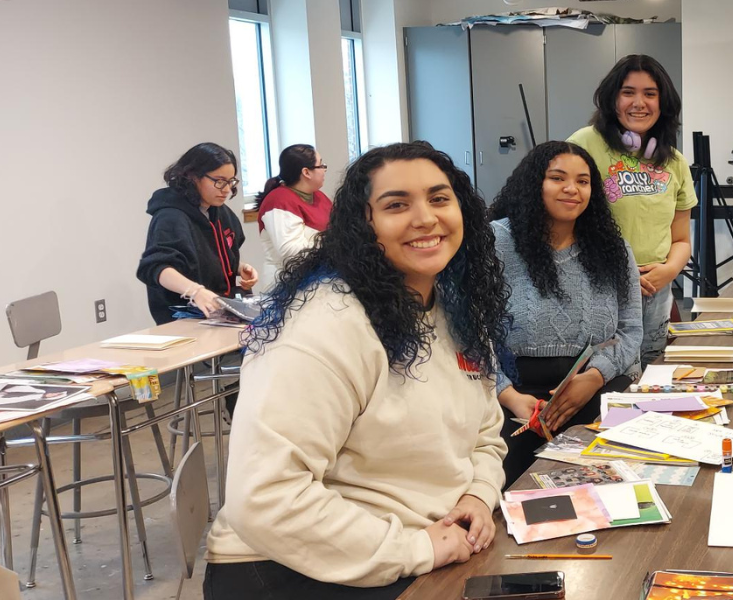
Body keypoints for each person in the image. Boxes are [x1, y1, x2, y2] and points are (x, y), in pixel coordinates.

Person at [204, 142, 511, 598]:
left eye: (439, 198)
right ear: (363, 225)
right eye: (396, 205)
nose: (426, 218)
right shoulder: (327, 322)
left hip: (419, 543)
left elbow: (486, 433)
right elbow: (266, 499)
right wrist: (416, 549)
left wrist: (477, 496)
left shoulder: (454, 308)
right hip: (290, 565)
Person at [487, 141, 642, 486]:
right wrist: (508, 396)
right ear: (534, 184)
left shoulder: (612, 248)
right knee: (512, 496)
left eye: (583, 181)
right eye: (558, 178)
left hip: (596, 388)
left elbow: (631, 330)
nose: (572, 189)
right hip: (513, 397)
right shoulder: (494, 243)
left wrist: (595, 377)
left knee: (613, 490)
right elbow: (470, 334)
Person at [567, 55, 693, 369]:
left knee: (650, 377)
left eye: (650, 93)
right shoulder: (583, 145)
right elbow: (560, 229)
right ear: (613, 98)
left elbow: (681, 240)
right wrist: (614, 272)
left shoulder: (674, 161)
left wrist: (669, 271)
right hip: (601, 290)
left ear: (663, 102)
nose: (639, 102)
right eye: (628, 92)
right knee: (603, 378)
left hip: (655, 293)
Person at [137, 142, 258, 324]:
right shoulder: (170, 216)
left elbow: (208, 254)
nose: (226, 189)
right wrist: (196, 292)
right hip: (185, 318)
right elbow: (157, 267)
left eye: (230, 182)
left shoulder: (219, 211)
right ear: (192, 176)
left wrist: (239, 267)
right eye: (219, 181)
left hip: (220, 312)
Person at [256, 144, 333, 283]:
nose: (324, 170)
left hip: (320, 276)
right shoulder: (279, 201)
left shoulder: (320, 196)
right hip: (288, 281)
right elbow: (291, 253)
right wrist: (335, 242)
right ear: (306, 172)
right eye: (321, 165)